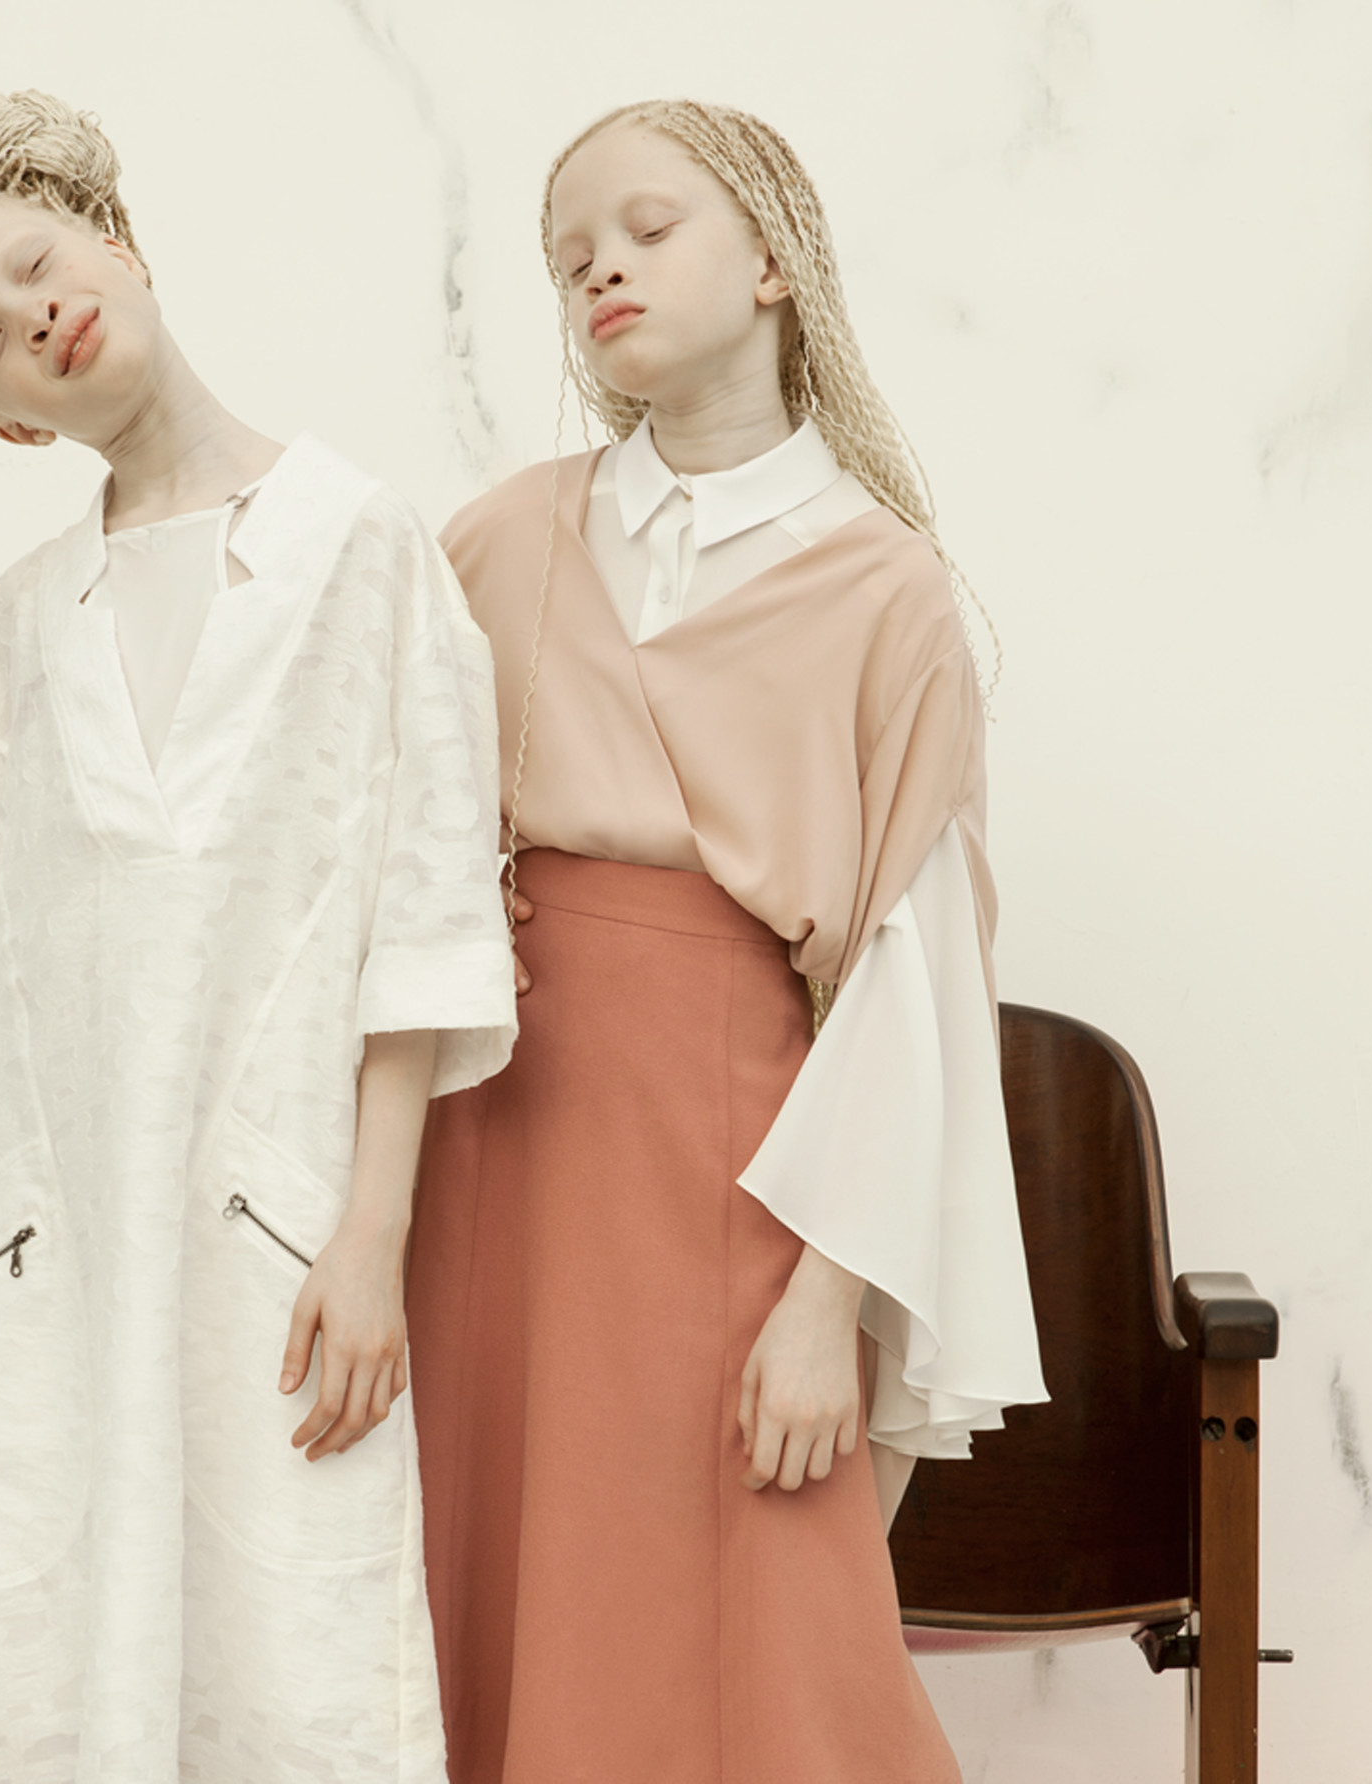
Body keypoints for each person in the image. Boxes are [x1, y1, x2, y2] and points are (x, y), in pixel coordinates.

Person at [0, 89, 516, 1784]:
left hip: (275, 1237)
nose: (34, 316)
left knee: (291, 1671)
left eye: (34, 262)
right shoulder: (27, 625)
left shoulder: (363, 549)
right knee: (42, 1671)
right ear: (5, 424)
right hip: (44, 1263)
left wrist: (372, 1236)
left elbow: (422, 920)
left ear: (113, 236)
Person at [405, 99, 1048, 1782]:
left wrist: (829, 1299)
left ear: (773, 261)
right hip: (490, 1149)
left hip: (744, 1170)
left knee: (754, 1629)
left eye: (647, 229)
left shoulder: (886, 587)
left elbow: (914, 972)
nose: (599, 272)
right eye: (570, 259)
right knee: (480, 1588)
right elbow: (371, 851)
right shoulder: (500, 542)